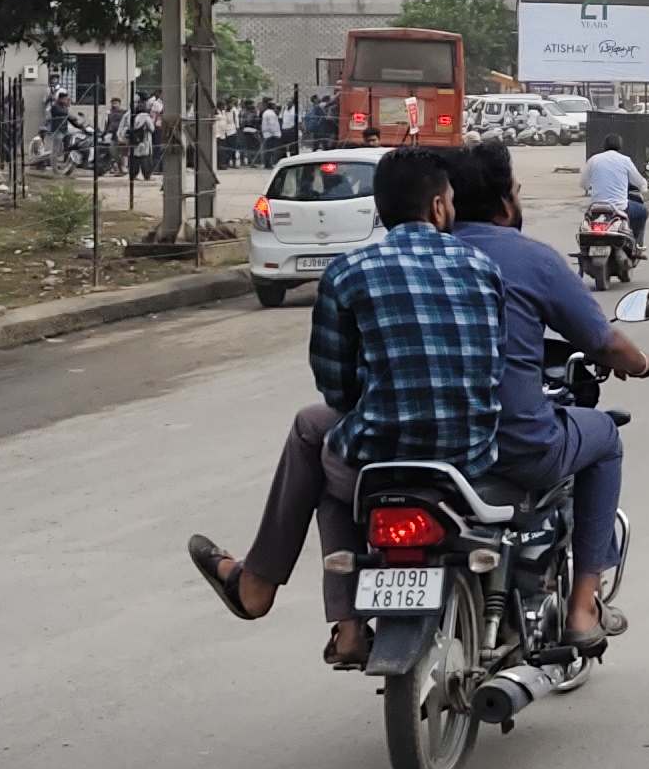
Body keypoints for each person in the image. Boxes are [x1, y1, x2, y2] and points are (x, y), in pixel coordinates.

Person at [184, 142, 506, 667]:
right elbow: (492, 364)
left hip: (380, 454)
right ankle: (298, 600)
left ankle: (290, 598)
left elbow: (334, 387)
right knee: (333, 453)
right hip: (470, 457)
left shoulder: (348, 271)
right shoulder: (482, 267)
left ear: (380, 210)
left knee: (323, 446)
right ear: (441, 208)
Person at [450, 140, 649, 647]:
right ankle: (583, 608)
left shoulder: (410, 260)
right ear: (504, 204)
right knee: (604, 435)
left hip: (403, 446)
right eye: (517, 191)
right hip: (517, 445)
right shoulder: (530, 258)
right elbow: (603, 341)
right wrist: (642, 363)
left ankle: (344, 623)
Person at [582, 134, 649, 254]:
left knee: (586, 222)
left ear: (604, 145)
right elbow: (639, 182)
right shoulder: (625, 160)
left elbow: (583, 184)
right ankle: (637, 245)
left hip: (597, 207)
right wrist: (644, 188)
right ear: (620, 146)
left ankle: (584, 250)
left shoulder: (594, 159)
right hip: (620, 207)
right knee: (642, 212)